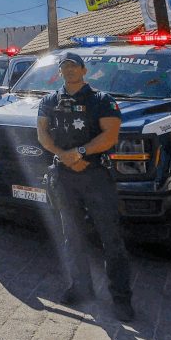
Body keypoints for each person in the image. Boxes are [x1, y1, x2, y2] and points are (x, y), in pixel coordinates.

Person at [36, 52, 134, 322]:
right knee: (72, 237)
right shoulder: (49, 101)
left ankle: (121, 298)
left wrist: (78, 152)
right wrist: (62, 154)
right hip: (64, 175)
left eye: (72, 66)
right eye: (63, 66)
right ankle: (81, 288)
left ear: (84, 70)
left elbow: (110, 135)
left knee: (110, 237)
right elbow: (42, 134)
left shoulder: (101, 100)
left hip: (94, 173)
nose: (68, 70)